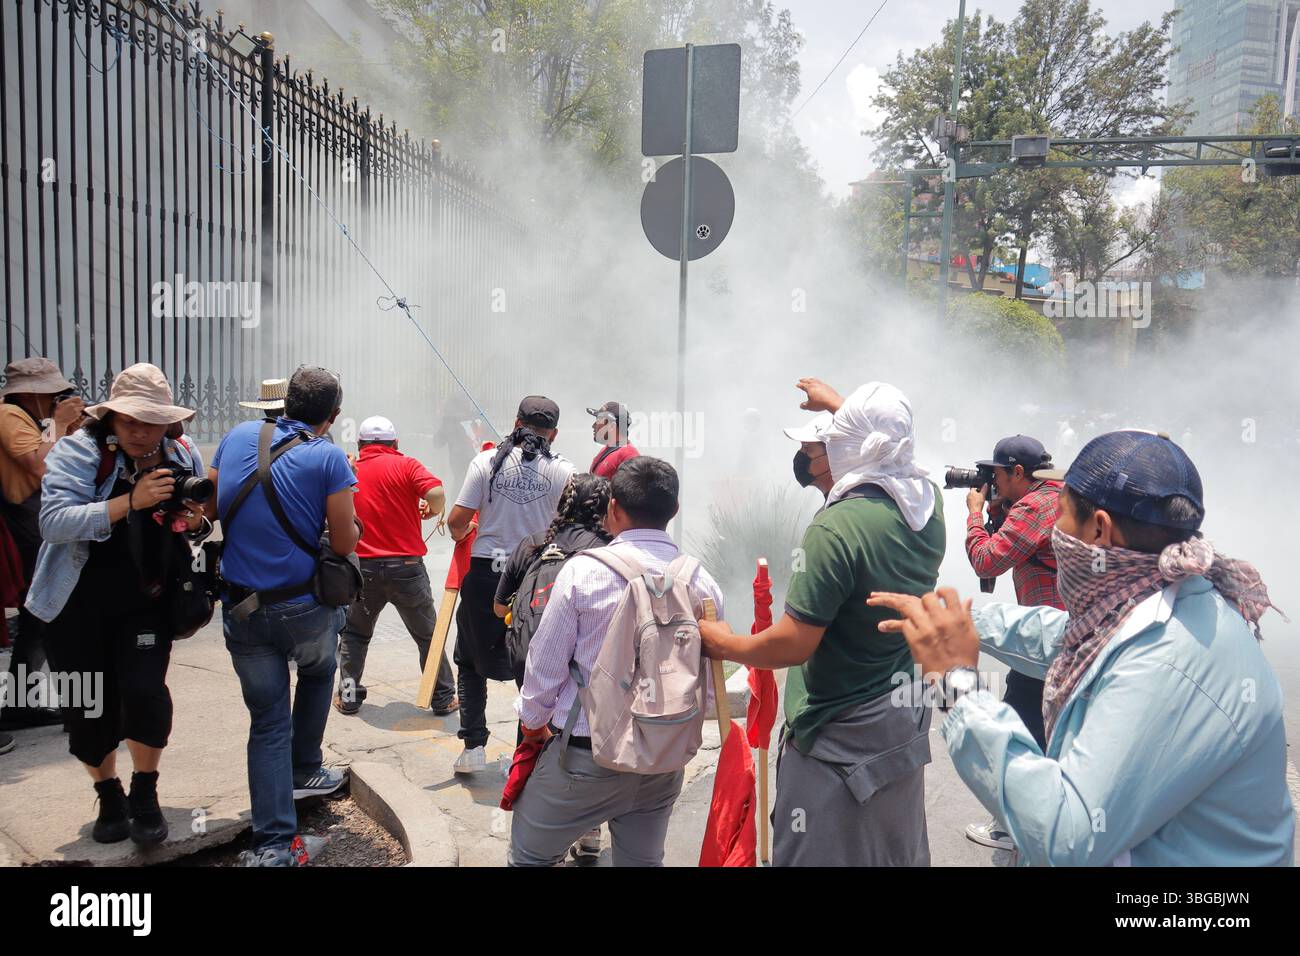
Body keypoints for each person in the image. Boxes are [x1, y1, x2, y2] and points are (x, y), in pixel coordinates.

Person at [869, 430, 1294, 865]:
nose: (1053, 529)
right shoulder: (1168, 596)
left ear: (1098, 529)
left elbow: (1068, 837)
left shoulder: (1168, 661)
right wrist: (963, 622)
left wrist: (958, 687)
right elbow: (1068, 636)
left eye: (1061, 513)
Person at [698, 378, 946, 866]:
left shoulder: (836, 528)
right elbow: (893, 446)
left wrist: (724, 644)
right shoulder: (928, 506)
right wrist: (840, 404)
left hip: (838, 731)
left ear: (847, 450)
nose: (819, 453)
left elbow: (793, 645)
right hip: (897, 718)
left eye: (828, 444)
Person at [508, 457, 725, 867]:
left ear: (613, 508)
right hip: (663, 759)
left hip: (584, 757)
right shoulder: (701, 583)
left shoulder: (583, 574)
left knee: (529, 857)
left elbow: (545, 668)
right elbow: (708, 686)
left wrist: (533, 726)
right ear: (674, 511)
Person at [26, 363, 206, 845]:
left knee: (146, 694)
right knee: (89, 711)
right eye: (130, 420)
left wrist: (193, 522)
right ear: (110, 416)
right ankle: (108, 793)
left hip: (147, 602)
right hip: (76, 605)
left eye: (152, 420)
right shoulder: (77, 452)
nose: (141, 431)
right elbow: (54, 522)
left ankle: (144, 792)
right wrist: (132, 500)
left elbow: (199, 519)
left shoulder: (178, 450)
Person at [208, 365, 360, 867]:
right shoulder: (329, 458)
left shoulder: (235, 437)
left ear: (284, 402)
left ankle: (274, 846)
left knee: (267, 723)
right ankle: (306, 767)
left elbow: (208, 503)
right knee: (320, 669)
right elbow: (342, 542)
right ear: (332, 416)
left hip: (242, 607)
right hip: (304, 609)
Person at [445, 396, 574, 774]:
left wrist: (468, 530)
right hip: (539, 580)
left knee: (469, 660)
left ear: (516, 421)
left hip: (486, 575)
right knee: (536, 669)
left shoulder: (485, 463)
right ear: (554, 433)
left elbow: (457, 521)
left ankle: (472, 748)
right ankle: (525, 758)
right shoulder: (564, 471)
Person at [494, 472, 612, 860]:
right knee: (586, 751)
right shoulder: (610, 552)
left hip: (532, 673)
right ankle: (590, 833)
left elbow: (499, 606)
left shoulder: (534, 545)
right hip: (586, 681)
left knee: (534, 746)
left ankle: (535, 836)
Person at [960, 434, 1061, 850]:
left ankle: (1010, 827)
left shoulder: (1036, 506)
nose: (993, 482)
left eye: (997, 475)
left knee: (1016, 726)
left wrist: (973, 515)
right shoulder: (1054, 495)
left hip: (1047, 638)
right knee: (1043, 726)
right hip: (1059, 633)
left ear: (1018, 472)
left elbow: (987, 560)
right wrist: (999, 508)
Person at [335, 415, 457, 717]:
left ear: (361, 444)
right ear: (396, 443)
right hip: (407, 568)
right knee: (428, 636)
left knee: (354, 635)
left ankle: (349, 698)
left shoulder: (351, 469)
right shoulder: (407, 465)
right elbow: (438, 493)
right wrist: (432, 510)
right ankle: (442, 698)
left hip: (363, 570)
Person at [0, 358, 85, 732]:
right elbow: (41, 467)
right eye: (52, 394)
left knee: (38, 618)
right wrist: (62, 423)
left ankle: (21, 705)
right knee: (53, 611)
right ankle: (78, 707)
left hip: (37, 517)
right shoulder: (8, 416)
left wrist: (72, 427)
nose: (56, 400)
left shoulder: (35, 419)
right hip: (24, 521)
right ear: (31, 393)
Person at [587, 401, 638, 480]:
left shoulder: (629, 456)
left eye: (598, 421)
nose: (593, 426)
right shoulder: (606, 450)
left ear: (611, 426)